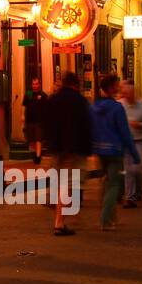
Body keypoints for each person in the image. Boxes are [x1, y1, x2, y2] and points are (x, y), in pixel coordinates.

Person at [42, 72, 93, 235]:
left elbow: (46, 124)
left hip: (57, 149)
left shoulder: (52, 100)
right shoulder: (80, 102)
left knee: (62, 184)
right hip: (73, 150)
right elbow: (86, 126)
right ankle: (59, 222)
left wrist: (50, 144)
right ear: (75, 84)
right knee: (68, 185)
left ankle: (60, 219)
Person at [91, 74, 140, 230]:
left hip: (99, 150)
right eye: (116, 85)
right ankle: (105, 219)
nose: (119, 87)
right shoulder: (117, 108)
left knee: (106, 183)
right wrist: (134, 153)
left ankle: (111, 217)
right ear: (111, 88)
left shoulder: (94, 107)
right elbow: (124, 132)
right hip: (114, 151)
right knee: (114, 185)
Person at [119, 82, 142, 208]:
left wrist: (141, 125)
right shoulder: (120, 105)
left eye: (128, 94)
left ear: (133, 94)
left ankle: (139, 191)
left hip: (139, 141)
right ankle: (130, 197)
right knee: (128, 169)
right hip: (126, 142)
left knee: (136, 168)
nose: (126, 96)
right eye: (124, 94)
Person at [21, 77, 48, 162]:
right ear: (31, 85)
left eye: (36, 84)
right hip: (29, 120)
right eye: (33, 84)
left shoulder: (43, 95)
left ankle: (38, 157)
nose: (35, 86)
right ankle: (37, 152)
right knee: (31, 140)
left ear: (39, 85)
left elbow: (47, 108)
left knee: (38, 139)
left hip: (39, 121)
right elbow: (23, 105)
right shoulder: (28, 94)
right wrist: (22, 115)